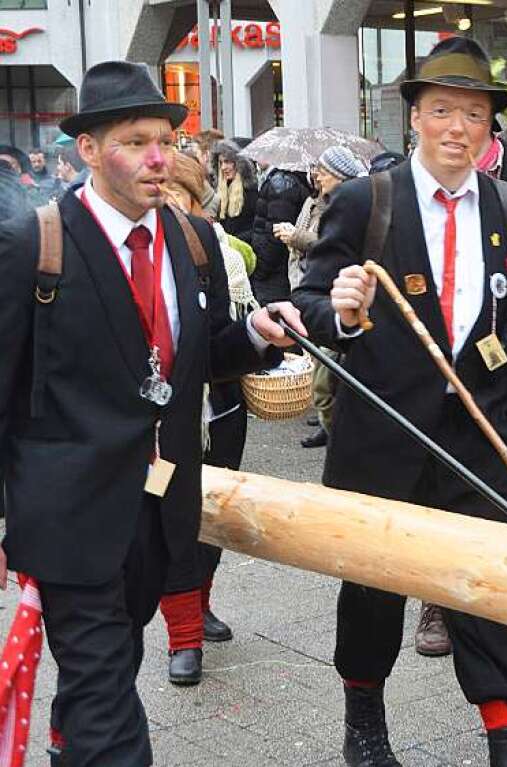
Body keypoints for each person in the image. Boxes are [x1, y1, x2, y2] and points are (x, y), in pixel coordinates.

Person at [0, 61, 305, 766]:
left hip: (159, 513)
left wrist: (258, 334)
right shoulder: (33, 245)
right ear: (88, 149)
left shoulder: (186, 239)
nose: (159, 158)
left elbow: (193, 357)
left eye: (166, 139)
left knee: (96, 686)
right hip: (70, 520)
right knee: (110, 712)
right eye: (135, 141)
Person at [292, 35, 507, 767]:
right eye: (443, 110)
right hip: (383, 436)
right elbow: (307, 299)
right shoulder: (364, 200)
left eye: (474, 113)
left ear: (490, 125)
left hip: (481, 442)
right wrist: (339, 312)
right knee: (372, 591)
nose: (458, 127)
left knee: (487, 590)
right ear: (415, 118)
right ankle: (364, 722)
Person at [158, 151, 260, 685]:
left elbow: (223, 334)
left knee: (212, 516)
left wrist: (260, 335)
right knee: (173, 519)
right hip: (158, 421)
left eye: (179, 191)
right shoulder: (127, 251)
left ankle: (201, 602)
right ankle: (182, 636)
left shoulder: (209, 247)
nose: (169, 200)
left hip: (219, 406)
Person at [279, 145, 368, 450]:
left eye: (325, 171)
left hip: (340, 303)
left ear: (340, 176)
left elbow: (324, 246)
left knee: (325, 379)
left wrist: (296, 237)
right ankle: (330, 429)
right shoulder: (314, 201)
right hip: (310, 292)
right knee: (322, 376)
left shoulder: (353, 206)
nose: (318, 175)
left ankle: (336, 434)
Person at [251, 163, 313, 304]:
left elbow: (276, 234)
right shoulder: (287, 180)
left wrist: (261, 268)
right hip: (281, 268)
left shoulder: (282, 184)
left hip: (272, 272)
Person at [216, 140, 258, 243]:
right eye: (221, 163)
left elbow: (256, 227)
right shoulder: (221, 190)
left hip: (244, 248)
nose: (223, 167)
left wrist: (234, 240)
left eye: (227, 162)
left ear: (238, 163)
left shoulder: (250, 190)